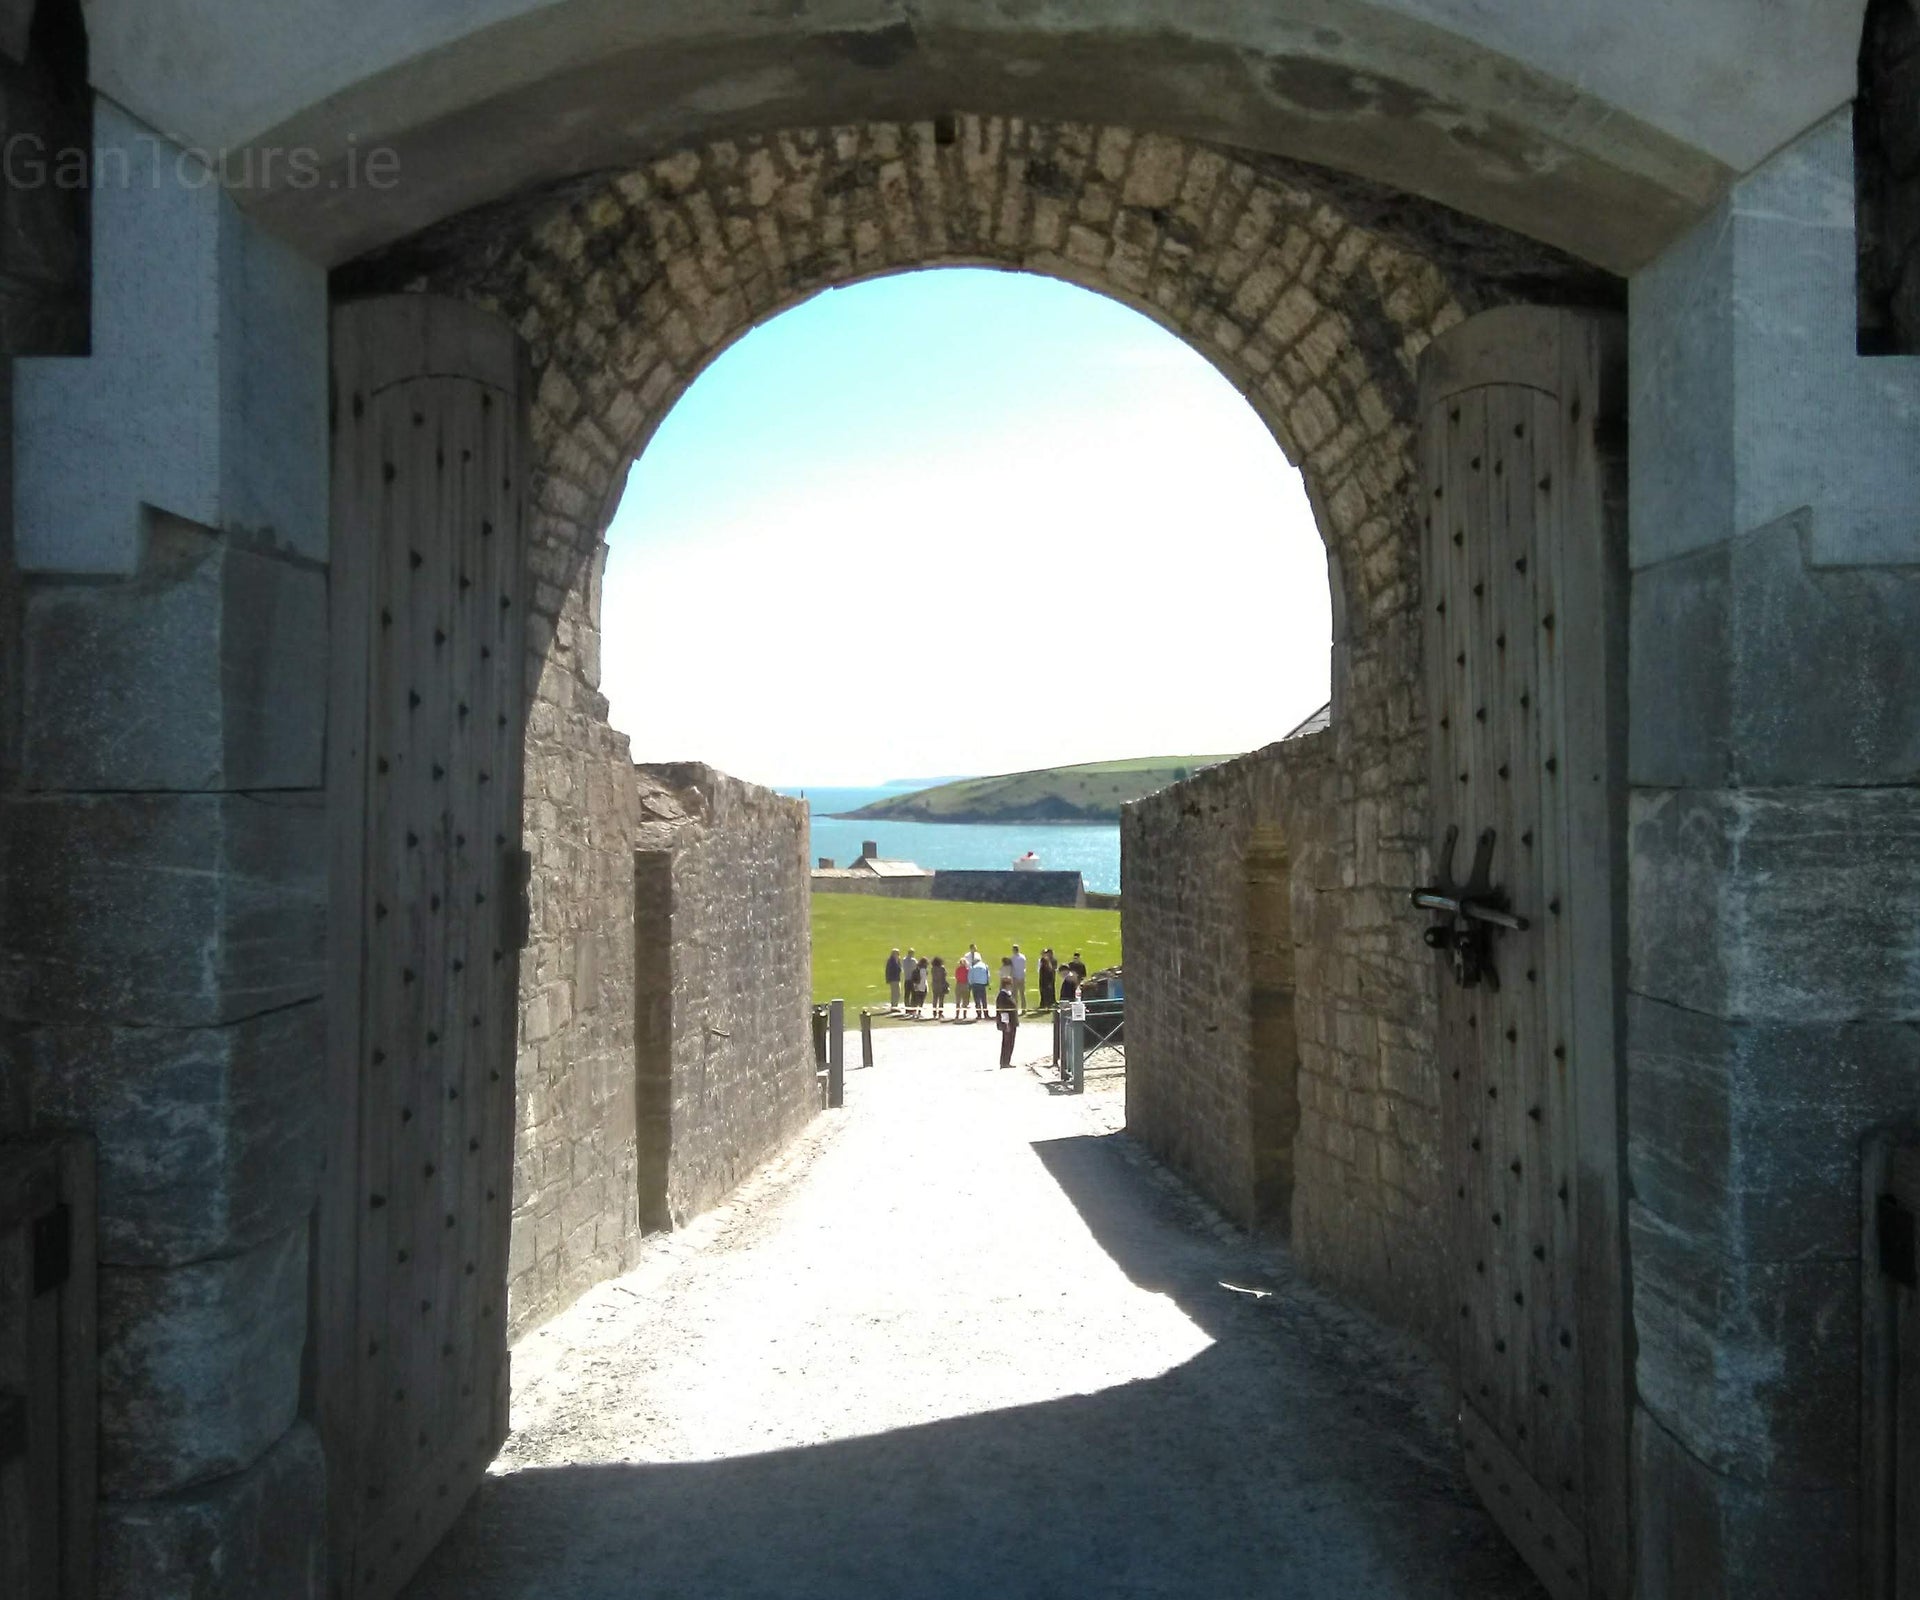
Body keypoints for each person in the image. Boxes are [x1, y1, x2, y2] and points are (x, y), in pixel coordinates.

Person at [995, 971, 1019, 1068]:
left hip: (1012, 1022)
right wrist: (1006, 1024)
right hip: (1008, 1023)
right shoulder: (1002, 996)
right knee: (1007, 1043)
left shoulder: (1008, 995)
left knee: (1010, 1042)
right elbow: (1003, 1011)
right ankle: (1004, 1062)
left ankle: (1007, 1061)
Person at [970, 948, 990, 1019]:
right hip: (982, 985)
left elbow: (970, 977)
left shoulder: (973, 967)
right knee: (984, 1000)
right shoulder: (985, 966)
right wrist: (987, 982)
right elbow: (988, 975)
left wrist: (970, 984)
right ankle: (986, 1014)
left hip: (975, 985)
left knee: (977, 1000)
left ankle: (979, 1014)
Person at [930, 955, 949, 1019]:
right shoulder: (942, 968)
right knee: (941, 1000)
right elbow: (944, 976)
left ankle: (934, 1012)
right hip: (941, 985)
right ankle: (940, 1013)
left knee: (935, 999)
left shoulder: (933, 969)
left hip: (934, 985)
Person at [1011, 944, 1029, 1012]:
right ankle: (1024, 1008)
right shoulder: (1023, 957)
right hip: (1022, 977)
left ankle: (1015, 1009)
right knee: (1022, 994)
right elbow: (1024, 967)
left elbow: (1012, 968)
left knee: (1014, 994)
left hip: (1015, 977)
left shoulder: (1012, 958)